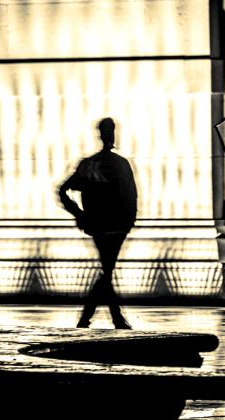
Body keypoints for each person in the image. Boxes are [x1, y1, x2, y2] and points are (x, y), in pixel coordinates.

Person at [58, 117, 137, 329]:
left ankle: (96, 318)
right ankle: (108, 318)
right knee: (107, 270)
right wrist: (130, 219)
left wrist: (80, 214)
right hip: (117, 225)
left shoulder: (89, 164)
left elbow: (63, 190)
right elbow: (131, 194)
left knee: (107, 269)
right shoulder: (120, 163)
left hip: (99, 224)